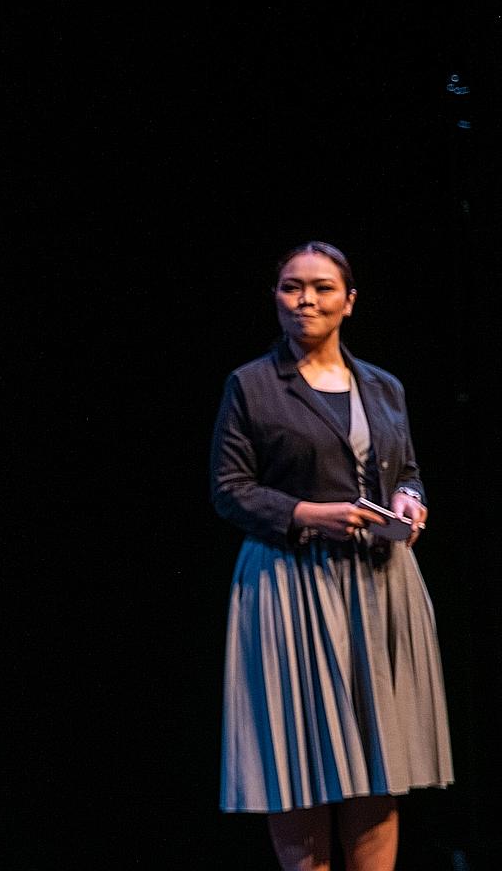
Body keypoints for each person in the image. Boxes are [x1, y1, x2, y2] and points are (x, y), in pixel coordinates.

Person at [211, 241, 453, 871]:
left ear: (348, 301)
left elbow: (408, 471)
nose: (305, 300)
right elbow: (229, 490)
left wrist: (408, 498)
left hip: (379, 588)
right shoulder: (253, 385)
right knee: (299, 765)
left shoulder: (384, 386)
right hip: (291, 587)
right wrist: (306, 515)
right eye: (292, 287)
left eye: (320, 287)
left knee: (378, 770)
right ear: (276, 299)